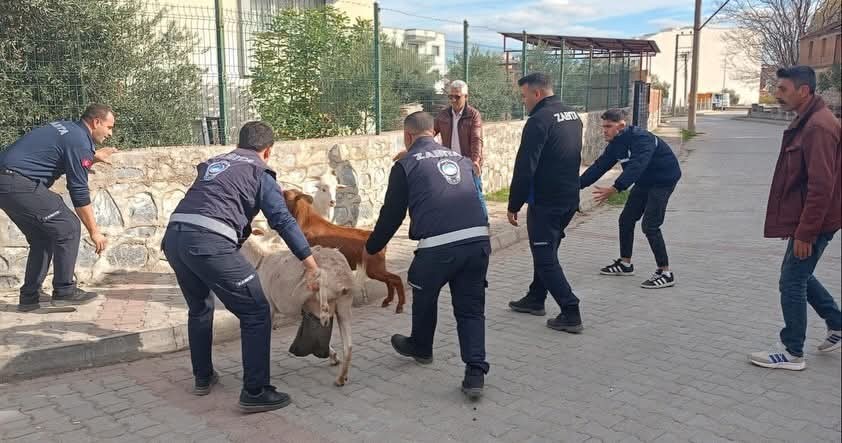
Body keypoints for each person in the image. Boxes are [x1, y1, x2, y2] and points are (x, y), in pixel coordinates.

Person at [162, 121, 321, 412]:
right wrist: (310, 263)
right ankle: (255, 391)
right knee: (257, 311)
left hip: (174, 237)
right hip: (208, 242)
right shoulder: (260, 172)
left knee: (200, 307)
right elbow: (282, 220)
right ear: (268, 151)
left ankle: (203, 377)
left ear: (239, 144)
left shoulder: (215, 164)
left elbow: (215, 203)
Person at [365, 111, 491, 400]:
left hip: (438, 247)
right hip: (478, 241)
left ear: (407, 136)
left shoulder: (406, 165)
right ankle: (475, 372)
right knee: (471, 309)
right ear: (434, 133)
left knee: (423, 289)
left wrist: (371, 247)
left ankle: (421, 347)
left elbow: (392, 215)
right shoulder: (462, 160)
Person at [749, 66, 842, 371]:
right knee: (800, 274)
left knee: (791, 280)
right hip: (811, 218)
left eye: (783, 89)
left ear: (804, 91)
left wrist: (805, 232)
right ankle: (837, 323)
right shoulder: (809, 120)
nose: (777, 94)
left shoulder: (818, 127)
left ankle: (792, 352)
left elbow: (821, 187)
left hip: (815, 222)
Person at [0, 104, 117, 312]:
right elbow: (79, 192)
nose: (110, 134)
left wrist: (91, 158)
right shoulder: (79, 141)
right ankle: (64, 291)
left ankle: (30, 298)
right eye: (109, 127)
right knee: (69, 226)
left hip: (6, 182)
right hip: (18, 183)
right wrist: (94, 232)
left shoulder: (69, 129)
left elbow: (59, 153)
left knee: (42, 237)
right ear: (96, 122)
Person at [506, 73, 585, 334]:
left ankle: (570, 310)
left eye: (524, 96)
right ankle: (535, 297)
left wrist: (514, 203)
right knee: (547, 252)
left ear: (537, 93)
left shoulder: (539, 120)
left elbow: (525, 166)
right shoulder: (572, 115)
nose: (523, 101)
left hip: (547, 202)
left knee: (545, 258)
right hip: (569, 198)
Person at [579, 108, 682, 289]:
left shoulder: (642, 139)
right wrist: (575, 186)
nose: (604, 130)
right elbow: (599, 166)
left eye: (608, 126)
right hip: (644, 181)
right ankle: (625, 264)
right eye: (603, 126)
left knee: (650, 225)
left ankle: (665, 272)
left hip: (663, 181)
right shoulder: (615, 144)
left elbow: (637, 165)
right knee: (626, 220)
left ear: (621, 126)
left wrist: (616, 188)